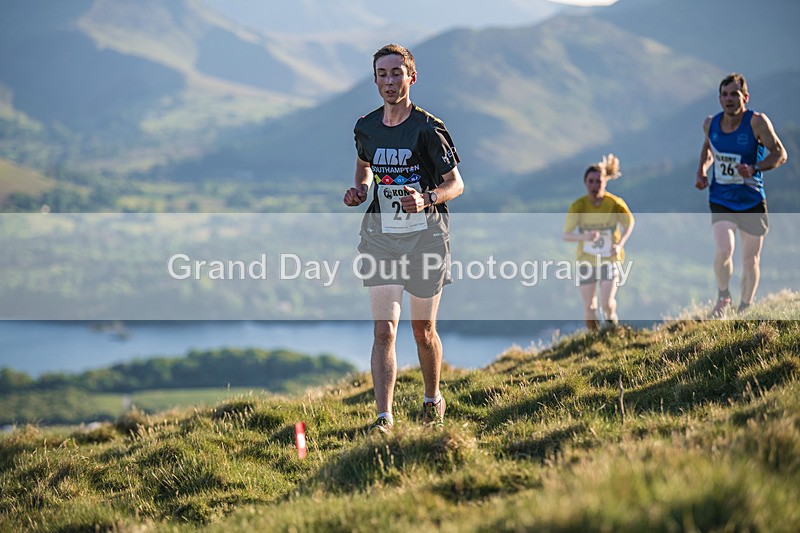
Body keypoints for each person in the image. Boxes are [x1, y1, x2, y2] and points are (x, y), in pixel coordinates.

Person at [343, 44, 464, 434]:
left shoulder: (428, 128)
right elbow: (364, 166)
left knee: (422, 332)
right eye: (383, 73)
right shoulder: (366, 126)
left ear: (412, 77)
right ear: (375, 78)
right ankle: (384, 418)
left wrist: (426, 198)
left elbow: (455, 184)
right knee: (384, 329)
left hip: (426, 239)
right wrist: (360, 189)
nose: (390, 80)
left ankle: (432, 400)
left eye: (398, 73)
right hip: (382, 238)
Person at [695, 73, 787, 317]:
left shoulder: (757, 122)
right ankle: (723, 296)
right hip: (721, 198)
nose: (729, 99)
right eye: (724, 95)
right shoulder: (710, 124)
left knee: (750, 259)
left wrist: (754, 167)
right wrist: (701, 172)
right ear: (719, 98)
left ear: (745, 97)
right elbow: (708, 149)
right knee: (724, 250)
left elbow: (780, 154)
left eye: (734, 94)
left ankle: (745, 307)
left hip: (751, 200)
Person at [563, 154, 634, 331]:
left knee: (606, 302)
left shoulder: (615, 204)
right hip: (586, 261)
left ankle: (612, 326)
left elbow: (629, 223)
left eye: (598, 181)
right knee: (590, 306)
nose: (594, 186)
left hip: (609, 260)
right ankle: (594, 337)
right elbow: (566, 235)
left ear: (605, 182)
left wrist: (620, 244)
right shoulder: (578, 206)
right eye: (591, 181)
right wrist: (584, 237)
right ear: (585, 183)